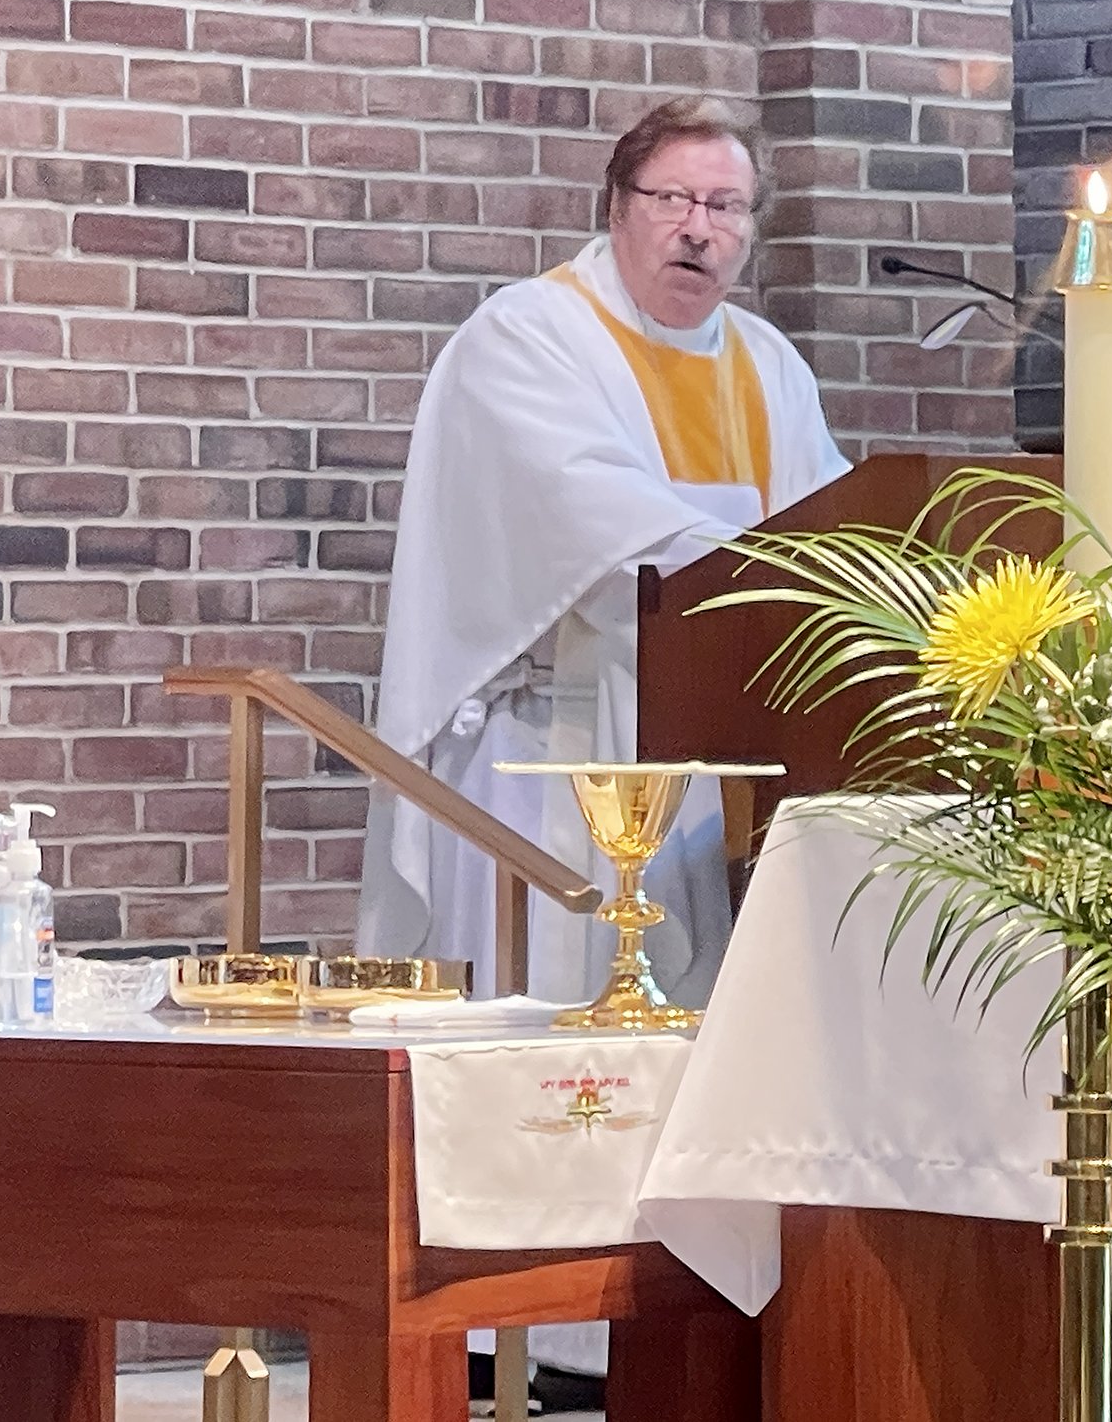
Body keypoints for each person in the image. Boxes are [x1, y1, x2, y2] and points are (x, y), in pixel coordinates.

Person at [355, 96, 850, 1389]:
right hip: (547, 760)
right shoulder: (528, 335)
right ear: (619, 209)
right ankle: (513, 1325)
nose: (697, 231)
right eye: (673, 202)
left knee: (679, 1039)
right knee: (549, 1044)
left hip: (699, 753)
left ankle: (651, 1308)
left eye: (725, 208)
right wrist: (769, 553)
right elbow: (597, 512)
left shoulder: (766, 364)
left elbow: (835, 524)